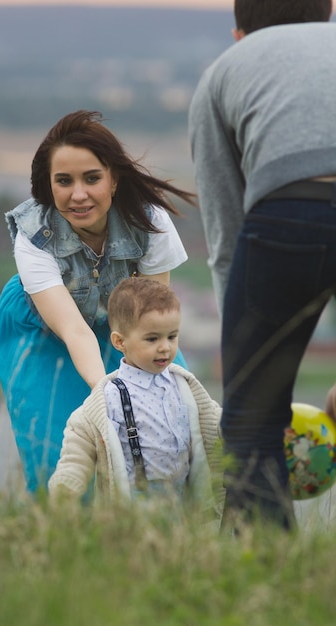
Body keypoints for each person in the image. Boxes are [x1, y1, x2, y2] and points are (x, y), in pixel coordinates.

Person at [188, 0, 336, 529]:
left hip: (284, 214)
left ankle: (267, 587)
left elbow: (227, 231)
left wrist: (243, 350)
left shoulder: (225, 71)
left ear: (239, 32)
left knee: (252, 425)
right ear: (329, 13)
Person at [0, 110, 196, 494]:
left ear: (114, 180)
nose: (79, 194)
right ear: (49, 186)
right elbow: (72, 330)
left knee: (173, 430)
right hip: (44, 332)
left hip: (128, 327)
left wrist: (141, 390)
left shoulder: (149, 221)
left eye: (92, 178)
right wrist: (111, 393)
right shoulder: (33, 236)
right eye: (64, 181)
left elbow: (150, 319)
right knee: (57, 453)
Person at [48, 277, 223, 515]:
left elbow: (218, 422)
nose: (165, 347)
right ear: (120, 341)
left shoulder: (184, 386)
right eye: (152, 339)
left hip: (184, 509)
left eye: (172, 336)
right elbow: (76, 452)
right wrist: (65, 494)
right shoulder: (108, 398)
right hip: (131, 514)